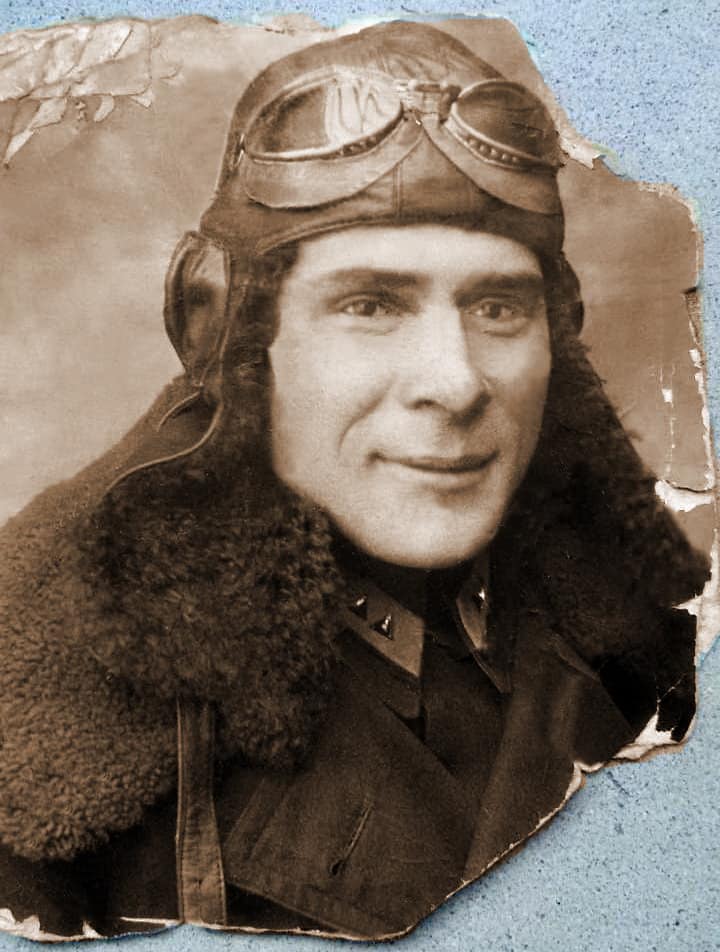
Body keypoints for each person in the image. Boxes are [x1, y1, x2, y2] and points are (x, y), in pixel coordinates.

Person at [0, 20, 709, 941]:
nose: (456, 382)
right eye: (370, 305)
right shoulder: (39, 765)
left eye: (499, 306)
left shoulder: (640, 637)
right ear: (232, 338)